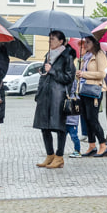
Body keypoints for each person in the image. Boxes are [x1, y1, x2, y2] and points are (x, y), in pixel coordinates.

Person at [34, 31, 76, 170]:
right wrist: (39, 92)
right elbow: (44, 76)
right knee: (44, 127)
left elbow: (69, 78)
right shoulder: (48, 55)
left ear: (61, 41)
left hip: (58, 97)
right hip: (45, 95)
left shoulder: (67, 57)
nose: (50, 42)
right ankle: (50, 154)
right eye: (49, 39)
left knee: (59, 127)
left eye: (52, 39)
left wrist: (52, 71)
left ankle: (59, 156)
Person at [76, 36, 107, 157]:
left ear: (95, 43)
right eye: (85, 42)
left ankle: (103, 145)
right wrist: (79, 74)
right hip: (84, 90)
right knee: (86, 118)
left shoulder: (100, 55)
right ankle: (91, 145)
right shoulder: (86, 56)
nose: (85, 45)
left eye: (88, 42)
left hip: (94, 90)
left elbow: (102, 74)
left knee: (92, 118)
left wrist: (84, 74)